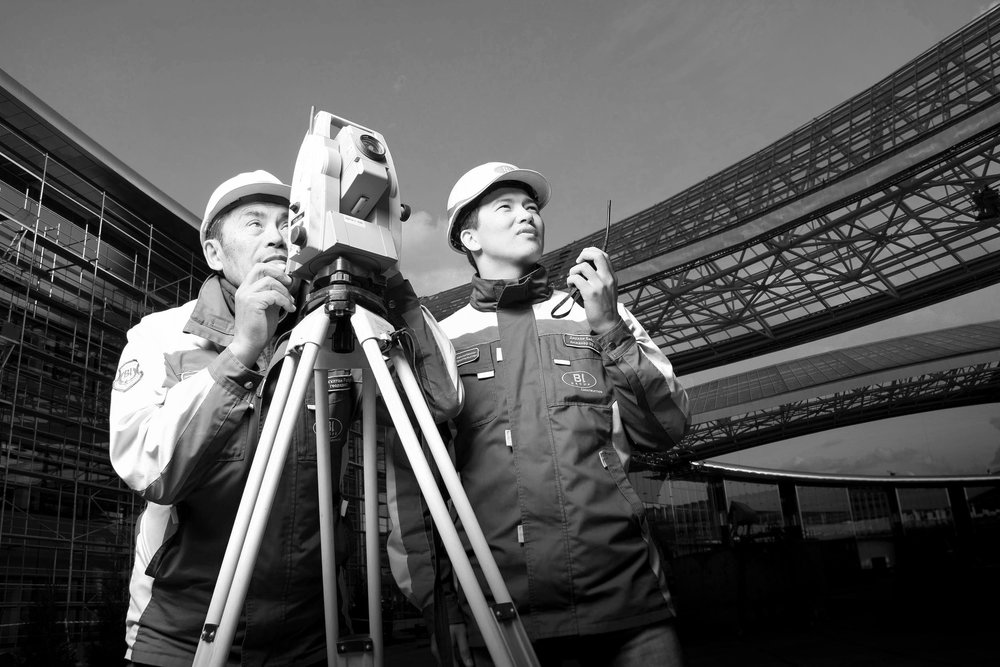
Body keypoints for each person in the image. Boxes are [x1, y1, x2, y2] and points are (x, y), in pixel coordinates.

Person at [109, 169, 461, 666]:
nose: (277, 235)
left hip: (311, 636)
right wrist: (241, 352)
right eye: (254, 224)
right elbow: (149, 469)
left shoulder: (334, 335)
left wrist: (389, 281)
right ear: (214, 252)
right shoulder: (162, 336)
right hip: (184, 635)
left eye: (287, 220)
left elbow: (440, 401)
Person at [386, 162, 691, 666]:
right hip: (498, 617)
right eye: (504, 207)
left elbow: (666, 428)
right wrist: (442, 608)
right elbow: (412, 485)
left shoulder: (599, 314)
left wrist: (611, 328)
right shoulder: (441, 342)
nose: (526, 215)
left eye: (531, 207)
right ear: (469, 237)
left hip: (629, 607)